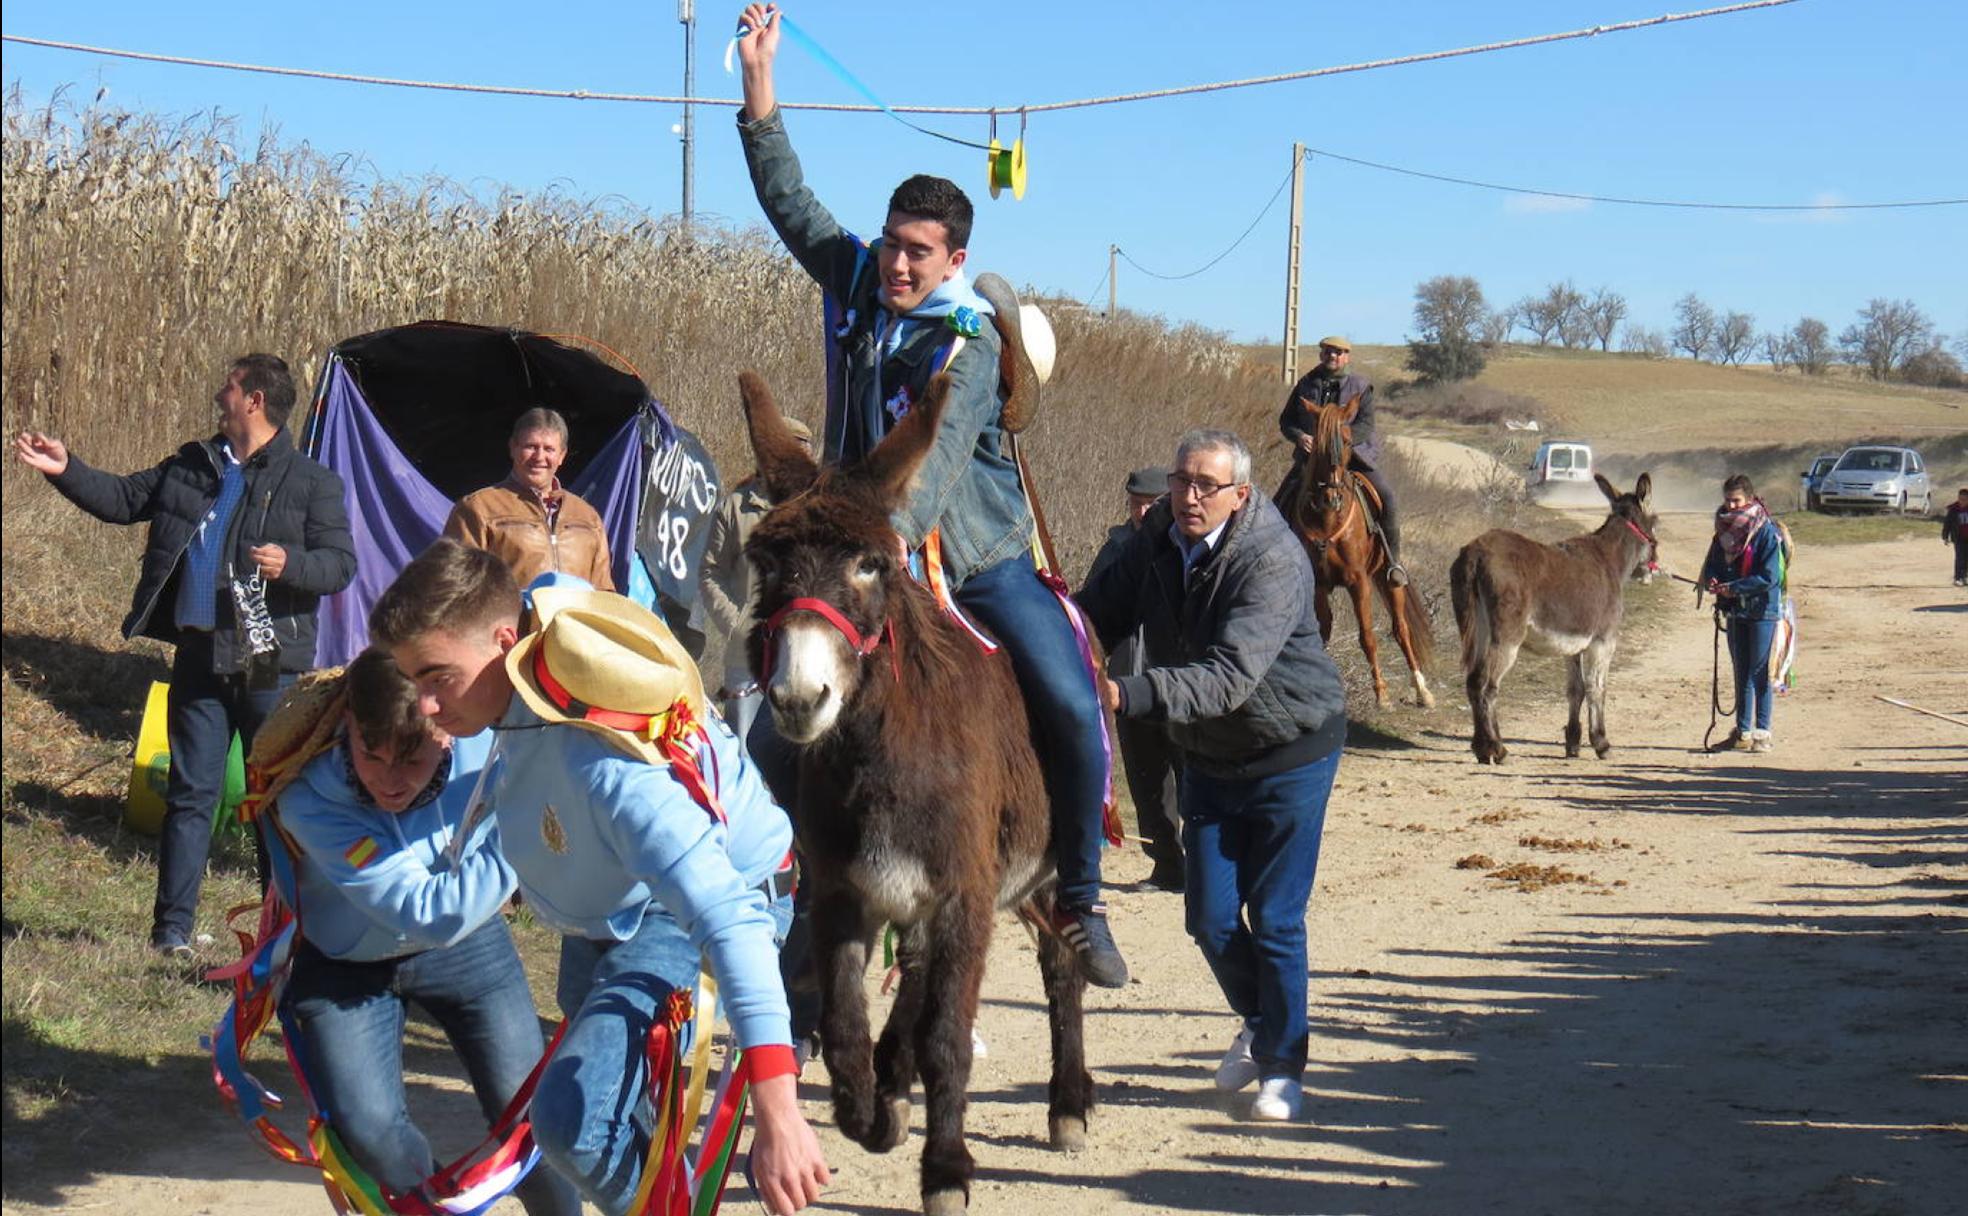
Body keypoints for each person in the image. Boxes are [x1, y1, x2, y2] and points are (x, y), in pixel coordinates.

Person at [734, 4, 1128, 988]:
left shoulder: (972, 340)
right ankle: (804, 893)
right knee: (771, 725)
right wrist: (760, 91)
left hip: (974, 563)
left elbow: (940, 461)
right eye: (892, 245)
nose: (900, 264)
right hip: (859, 558)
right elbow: (794, 208)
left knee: (1076, 707)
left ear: (955, 259)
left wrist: (883, 543)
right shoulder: (862, 286)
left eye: (921, 252)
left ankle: (1076, 897)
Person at [369, 541, 829, 1216]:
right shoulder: (529, 648)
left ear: (505, 640)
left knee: (573, 1121)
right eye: (414, 681)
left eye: (437, 678)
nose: (426, 706)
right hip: (610, 906)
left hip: (694, 906)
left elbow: (727, 915)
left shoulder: (605, 763)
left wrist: (777, 1109)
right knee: (612, 1119)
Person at [13, 354, 356, 957]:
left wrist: (291, 565)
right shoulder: (194, 465)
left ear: (253, 400)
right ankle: (171, 934)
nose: (218, 393)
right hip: (198, 653)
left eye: (229, 386)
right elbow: (122, 500)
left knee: (273, 801)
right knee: (190, 794)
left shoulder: (311, 482)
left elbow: (341, 565)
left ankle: (281, 935)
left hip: (265, 660)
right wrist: (65, 469)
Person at [1076, 429, 1348, 1124]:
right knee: (1208, 918)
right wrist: (1047, 629)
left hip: (1292, 753)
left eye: (1206, 486)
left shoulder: (1273, 559)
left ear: (1240, 494)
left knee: (1277, 917)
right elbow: (1097, 608)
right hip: (1209, 758)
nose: (1189, 497)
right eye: (1180, 481)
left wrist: (1124, 694)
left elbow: (1228, 679)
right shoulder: (1159, 535)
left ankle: (1285, 1068)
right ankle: (1262, 1022)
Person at [260, 650, 581, 1215]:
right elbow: (430, 911)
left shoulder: (490, 744)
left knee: (530, 1116)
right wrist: (526, 824)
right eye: (370, 753)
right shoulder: (307, 794)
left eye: (410, 758)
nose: (389, 780)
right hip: (344, 966)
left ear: (447, 730)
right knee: (371, 1134)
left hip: (469, 953)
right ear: (348, 727)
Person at [1084, 466, 1185, 893]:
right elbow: (1091, 611)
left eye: (1152, 503)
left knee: (1193, 775)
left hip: (1179, 682)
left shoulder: (1186, 547)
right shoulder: (1115, 550)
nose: (1143, 510)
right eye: (1136, 502)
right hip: (1126, 684)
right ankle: (1167, 865)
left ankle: (1207, 866)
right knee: (1147, 780)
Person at [700, 416, 815, 742]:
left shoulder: (818, 509)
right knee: (743, 751)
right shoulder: (736, 506)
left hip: (802, 655)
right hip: (746, 655)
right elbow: (710, 572)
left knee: (799, 750)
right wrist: (737, 624)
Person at [1277, 336, 1408, 585]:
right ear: (1321, 354)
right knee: (1279, 502)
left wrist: (1341, 439)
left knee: (1388, 498)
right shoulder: (1306, 384)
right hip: (1313, 462)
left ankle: (1393, 562)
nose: (1332, 356)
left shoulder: (1361, 386)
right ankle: (1278, 561)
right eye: (1328, 351)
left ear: (1347, 356)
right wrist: (1299, 436)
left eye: (1338, 352)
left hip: (1354, 458)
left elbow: (1366, 424)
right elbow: (1286, 421)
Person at [445, 407, 614, 592]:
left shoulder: (588, 517)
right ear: (513, 448)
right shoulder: (479, 509)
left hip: (571, 621)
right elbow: (455, 587)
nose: (539, 457)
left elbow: (604, 592)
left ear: (562, 456)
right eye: (531, 447)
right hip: (509, 621)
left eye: (549, 449)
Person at [1700, 474, 1786, 754]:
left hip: (1763, 610)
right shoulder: (1722, 531)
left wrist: (1735, 588)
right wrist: (1714, 581)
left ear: (1749, 500)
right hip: (1735, 611)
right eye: (1727, 500)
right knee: (1741, 671)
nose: (1731, 506)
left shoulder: (1766, 531)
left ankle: (1763, 733)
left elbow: (1770, 576)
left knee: (1759, 672)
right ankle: (1742, 733)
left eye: (1736, 500)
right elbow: (1713, 562)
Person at [1943, 487, 1968, 587]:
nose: (1962, 501)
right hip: (1959, 537)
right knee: (1960, 557)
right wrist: (1945, 536)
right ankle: (1958, 578)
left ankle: (1964, 576)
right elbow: (1947, 523)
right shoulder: (1953, 509)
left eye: (1965, 499)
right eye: (1960, 499)